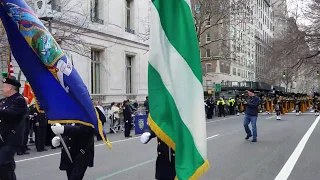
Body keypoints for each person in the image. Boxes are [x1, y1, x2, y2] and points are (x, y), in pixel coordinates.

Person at [0, 77, 27, 180]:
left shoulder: (19, 100)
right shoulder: (5, 101)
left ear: (10, 88)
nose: (2, 88)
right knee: (7, 166)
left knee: (2, 163)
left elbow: (11, 113)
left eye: (4, 86)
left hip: (12, 138)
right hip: (3, 137)